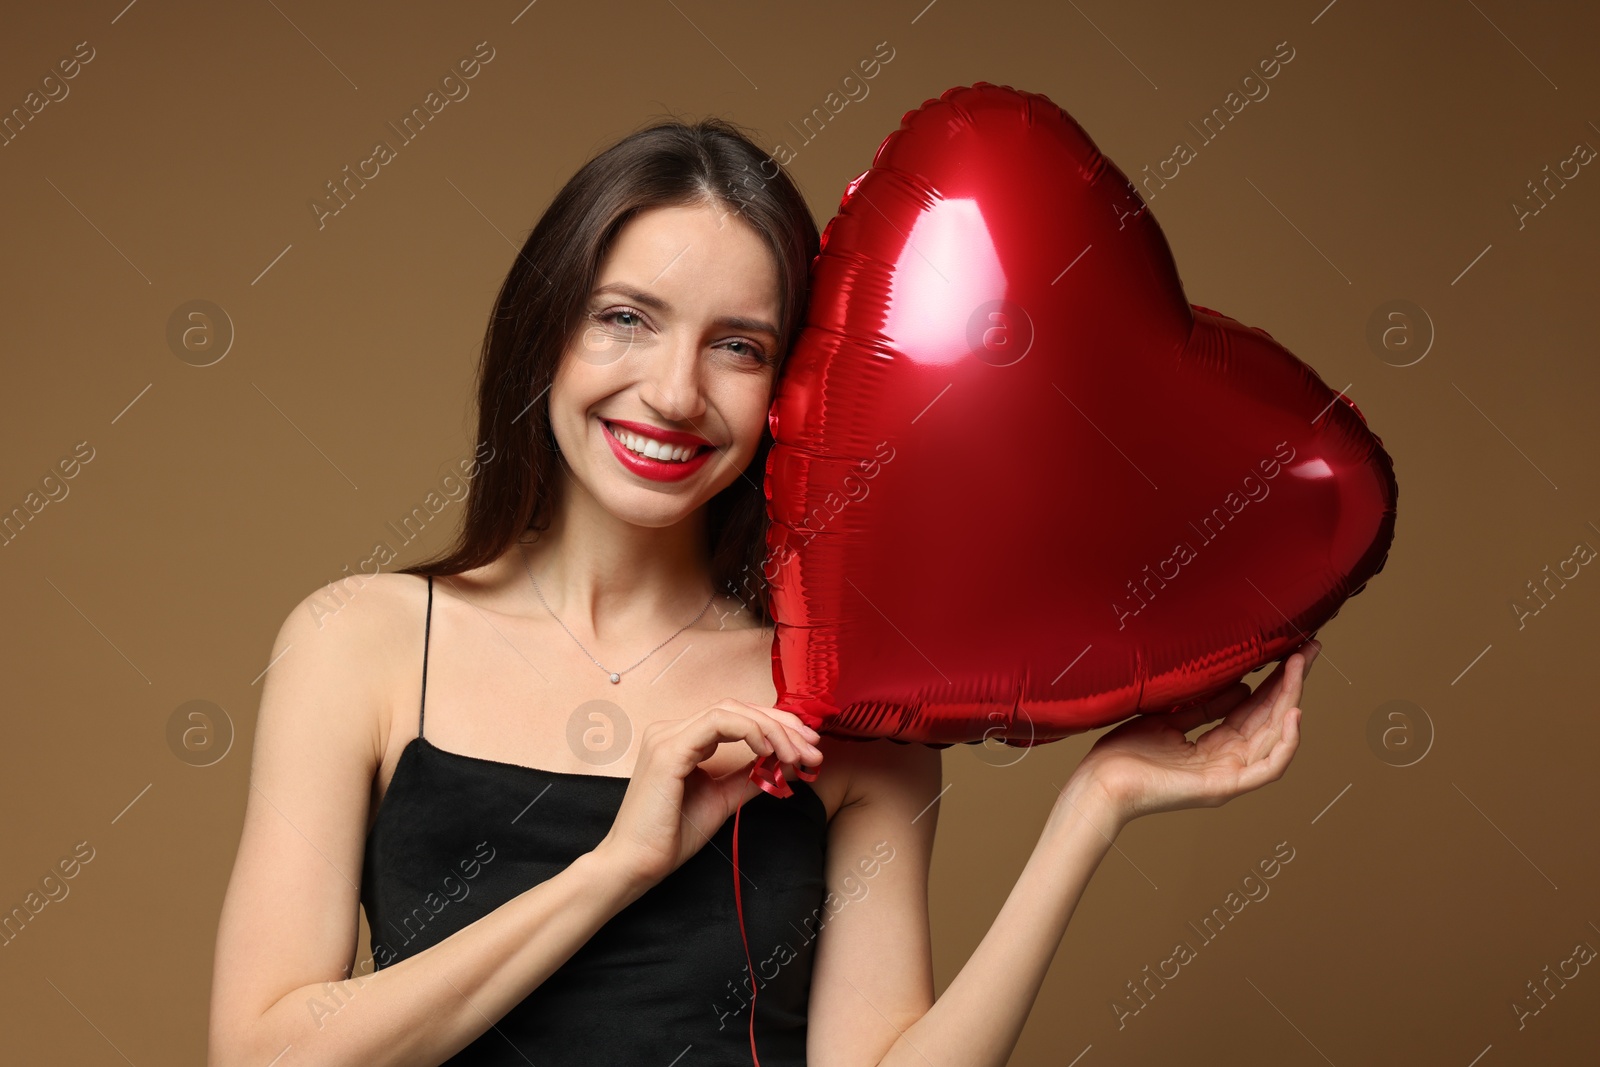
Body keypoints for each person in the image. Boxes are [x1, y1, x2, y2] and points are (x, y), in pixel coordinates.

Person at [207, 115, 1318, 1067]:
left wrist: (1093, 808)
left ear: (796, 390)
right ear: (547, 330)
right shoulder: (359, 639)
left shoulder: (842, 698)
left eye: (737, 345)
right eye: (626, 317)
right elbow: (265, 1052)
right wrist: (618, 866)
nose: (674, 392)